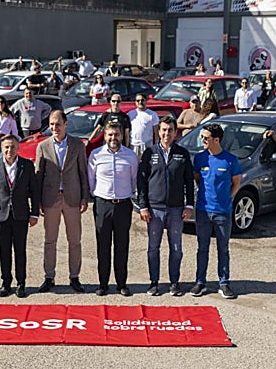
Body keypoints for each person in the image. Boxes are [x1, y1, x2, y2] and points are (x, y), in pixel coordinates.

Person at [137, 116, 195, 296]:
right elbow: (142, 182)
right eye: (163, 130)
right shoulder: (149, 153)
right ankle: (154, 283)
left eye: (170, 130)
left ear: (175, 132)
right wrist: (143, 206)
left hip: (176, 209)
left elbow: (189, 181)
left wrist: (189, 205)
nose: (166, 133)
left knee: (176, 248)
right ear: (158, 131)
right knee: (153, 248)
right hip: (154, 210)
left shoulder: (182, 154)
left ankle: (174, 282)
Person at [35, 108, 90, 293]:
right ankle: (49, 277)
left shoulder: (77, 145)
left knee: (74, 240)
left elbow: (83, 173)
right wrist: (38, 202)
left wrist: (84, 197)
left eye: (58, 124)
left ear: (66, 124)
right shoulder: (42, 147)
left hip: (72, 198)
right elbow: (38, 176)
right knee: (50, 240)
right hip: (50, 199)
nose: (54, 128)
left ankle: (74, 277)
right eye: (51, 124)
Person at [0, 134, 40, 297]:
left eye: (12, 147)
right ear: (2, 149)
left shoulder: (26, 165)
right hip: (1, 214)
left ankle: (21, 283)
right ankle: (6, 282)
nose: (9, 150)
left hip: (21, 214)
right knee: (4, 251)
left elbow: (34, 192)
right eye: (6, 147)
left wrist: (34, 213)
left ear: (18, 148)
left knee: (20, 250)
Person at [87, 124, 139, 296]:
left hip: (123, 205)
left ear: (121, 136)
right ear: (105, 136)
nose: (113, 138)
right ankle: (103, 284)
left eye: (116, 134)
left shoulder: (130, 156)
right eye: (109, 135)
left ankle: (121, 283)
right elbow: (91, 179)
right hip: (103, 205)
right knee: (103, 245)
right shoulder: (95, 155)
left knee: (122, 245)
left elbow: (134, 181)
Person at [191, 121, 241, 299]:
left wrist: (228, 198)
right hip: (203, 210)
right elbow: (198, 179)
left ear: (217, 140)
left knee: (223, 248)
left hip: (223, 212)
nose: (203, 140)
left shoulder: (230, 160)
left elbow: (236, 182)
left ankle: (224, 282)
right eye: (202, 137)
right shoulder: (200, 158)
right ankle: (200, 282)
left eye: (206, 138)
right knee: (202, 248)